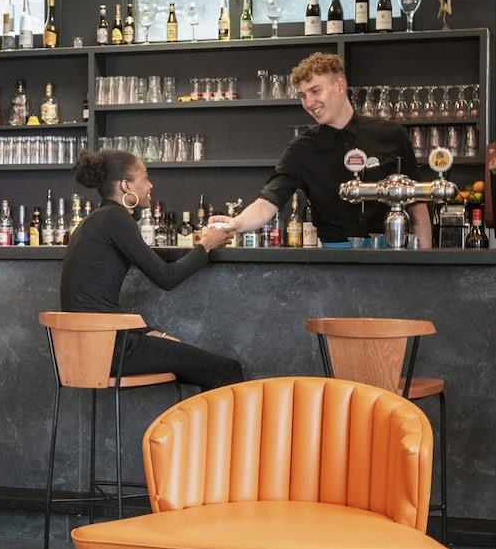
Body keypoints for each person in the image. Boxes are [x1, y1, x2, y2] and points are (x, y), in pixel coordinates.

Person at [60, 147, 245, 390]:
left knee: (201, 367)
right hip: (108, 348)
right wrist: (206, 245)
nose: (150, 185)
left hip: (86, 346)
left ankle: (194, 417)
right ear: (126, 185)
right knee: (228, 371)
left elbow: (95, 304)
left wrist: (147, 332)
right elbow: (167, 278)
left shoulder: (98, 220)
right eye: (145, 177)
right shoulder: (115, 218)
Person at [221, 51, 436, 246]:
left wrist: (423, 263)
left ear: (340, 86)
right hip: (334, 259)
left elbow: (416, 205)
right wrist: (236, 223)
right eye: (303, 95)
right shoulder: (301, 149)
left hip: (389, 252)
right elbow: (267, 202)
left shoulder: (391, 135)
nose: (309, 102)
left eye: (315, 91)